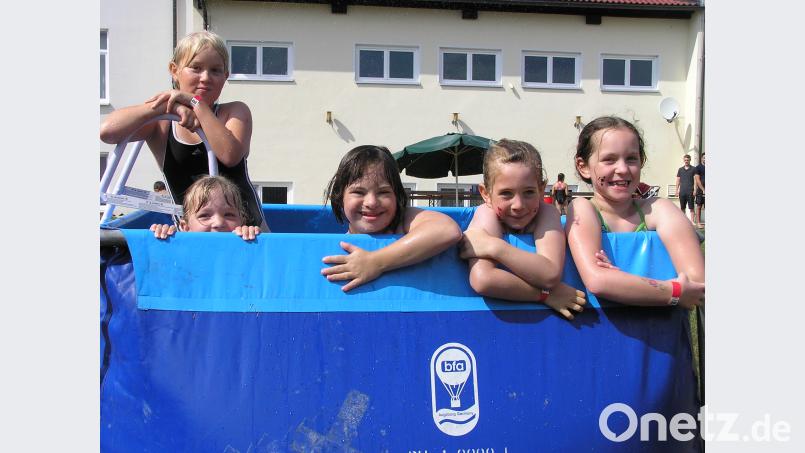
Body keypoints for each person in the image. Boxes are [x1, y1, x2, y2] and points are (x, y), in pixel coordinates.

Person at [99, 31, 268, 231]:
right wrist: (167, 106)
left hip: (248, 235)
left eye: (215, 70)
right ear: (174, 70)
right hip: (192, 237)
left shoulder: (234, 112)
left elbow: (229, 155)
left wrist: (195, 103)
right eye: (196, 68)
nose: (205, 77)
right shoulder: (161, 124)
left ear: (225, 76)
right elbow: (108, 131)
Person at [566, 116, 704, 309]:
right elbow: (597, 281)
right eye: (609, 159)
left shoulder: (659, 209)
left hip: (660, 334)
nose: (622, 169)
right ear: (584, 167)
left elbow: (697, 281)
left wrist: (617, 278)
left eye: (631, 158)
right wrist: (674, 291)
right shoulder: (582, 208)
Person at [457, 139, 586, 320]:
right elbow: (483, 280)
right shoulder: (487, 214)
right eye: (506, 193)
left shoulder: (546, 212)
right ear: (486, 194)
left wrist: (495, 247)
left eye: (529, 192)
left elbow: (549, 275)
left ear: (541, 190)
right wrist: (545, 295)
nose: (518, 205)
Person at [321, 145, 462, 292]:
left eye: (383, 192)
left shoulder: (402, 221)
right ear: (339, 196)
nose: (372, 202)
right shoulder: (337, 247)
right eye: (358, 192)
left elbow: (447, 230)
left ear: (397, 197)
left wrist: (375, 262)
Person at [149, 175, 260, 241]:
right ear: (186, 227)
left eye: (229, 214)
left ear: (242, 222)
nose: (218, 223)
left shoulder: (245, 244)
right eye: (204, 215)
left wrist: (252, 237)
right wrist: (163, 238)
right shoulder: (179, 247)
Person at [675, 154, 698, 224]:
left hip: (690, 191)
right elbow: (678, 180)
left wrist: (695, 190)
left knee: (691, 207)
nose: (686, 161)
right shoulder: (680, 169)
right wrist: (676, 190)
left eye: (687, 160)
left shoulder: (694, 169)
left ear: (690, 160)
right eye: (685, 160)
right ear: (683, 160)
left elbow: (695, 180)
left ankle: (692, 221)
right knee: (682, 207)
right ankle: (683, 221)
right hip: (682, 191)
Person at [694, 153, 705, 228]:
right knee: (699, 206)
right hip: (701, 190)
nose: (706, 159)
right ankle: (698, 223)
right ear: (701, 158)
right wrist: (703, 189)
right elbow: (697, 180)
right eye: (704, 158)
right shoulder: (698, 167)